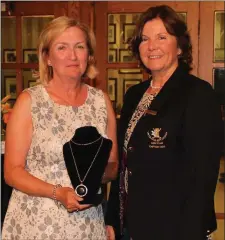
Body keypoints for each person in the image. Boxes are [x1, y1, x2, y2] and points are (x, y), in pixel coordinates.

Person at [105, 5, 223, 240]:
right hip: (132, 223)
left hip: (176, 226)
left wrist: (191, 231)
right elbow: (125, 162)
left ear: (179, 46)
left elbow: (203, 175)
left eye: (162, 37)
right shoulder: (134, 95)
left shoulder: (198, 94)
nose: (152, 46)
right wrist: (112, 219)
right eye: (145, 39)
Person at [2, 16, 118, 240]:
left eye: (80, 47)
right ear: (47, 57)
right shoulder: (30, 101)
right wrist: (59, 192)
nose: (72, 56)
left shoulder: (101, 101)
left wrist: (92, 178)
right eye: (62, 47)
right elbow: (12, 172)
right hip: (36, 224)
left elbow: (112, 165)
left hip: (87, 224)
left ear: (89, 55)